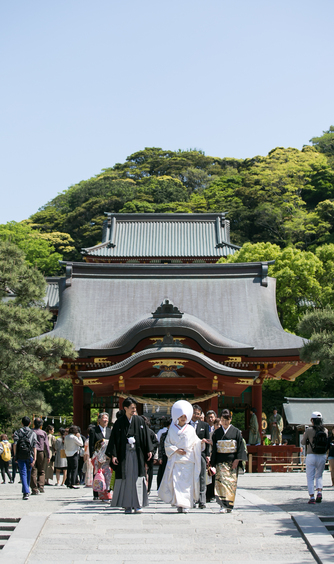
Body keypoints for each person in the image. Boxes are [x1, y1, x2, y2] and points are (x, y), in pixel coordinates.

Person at [106, 397, 153, 514]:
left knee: (138, 478)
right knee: (126, 478)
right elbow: (114, 440)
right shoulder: (119, 422)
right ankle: (127, 505)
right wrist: (114, 455)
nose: (134, 410)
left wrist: (149, 450)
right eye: (132, 408)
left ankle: (138, 504)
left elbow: (146, 436)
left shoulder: (140, 421)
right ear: (125, 408)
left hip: (137, 453)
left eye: (135, 408)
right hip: (124, 454)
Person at [158, 400, 202, 513]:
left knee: (187, 484)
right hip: (176, 460)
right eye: (181, 416)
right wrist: (176, 450)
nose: (183, 418)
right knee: (177, 483)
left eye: (185, 416)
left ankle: (186, 504)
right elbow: (167, 444)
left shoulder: (191, 429)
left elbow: (195, 442)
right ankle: (179, 503)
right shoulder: (172, 429)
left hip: (188, 460)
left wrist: (201, 443)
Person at [210, 408, 247, 513]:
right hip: (220, 461)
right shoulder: (217, 433)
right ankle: (222, 505)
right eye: (223, 419)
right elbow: (215, 449)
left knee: (230, 484)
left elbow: (240, 447)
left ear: (230, 419)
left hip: (232, 462)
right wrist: (213, 463)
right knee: (220, 483)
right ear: (220, 420)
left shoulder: (236, 432)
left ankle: (229, 505)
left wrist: (237, 460)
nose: (225, 422)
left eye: (227, 419)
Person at [301, 411, 328, 504]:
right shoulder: (325, 430)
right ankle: (319, 492)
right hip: (322, 455)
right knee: (319, 475)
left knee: (310, 476)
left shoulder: (309, 430)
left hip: (311, 454)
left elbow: (303, 442)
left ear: (312, 420)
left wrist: (306, 436)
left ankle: (312, 497)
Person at [190, 404, 210, 509]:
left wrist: (207, 455)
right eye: (194, 413)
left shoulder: (204, 425)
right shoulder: (186, 424)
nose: (195, 415)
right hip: (190, 454)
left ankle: (202, 500)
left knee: (202, 476)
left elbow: (207, 440)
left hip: (201, 454)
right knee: (191, 476)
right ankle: (192, 499)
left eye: (198, 414)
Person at [13, 416, 37, 500]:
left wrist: (15, 455)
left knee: (22, 472)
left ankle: (25, 491)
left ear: (21, 423)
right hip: (29, 454)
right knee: (28, 472)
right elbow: (34, 446)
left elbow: (15, 444)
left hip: (20, 455)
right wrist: (34, 458)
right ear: (30, 423)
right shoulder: (33, 433)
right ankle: (26, 490)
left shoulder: (17, 432)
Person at [89, 412, 111, 500]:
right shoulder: (94, 430)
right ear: (99, 420)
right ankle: (96, 493)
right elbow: (91, 444)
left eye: (106, 418)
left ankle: (106, 492)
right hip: (98, 456)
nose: (105, 420)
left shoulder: (110, 430)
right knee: (97, 473)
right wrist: (92, 456)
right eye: (103, 418)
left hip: (107, 457)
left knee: (107, 474)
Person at [30, 417, 50, 495]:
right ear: (41, 424)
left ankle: (34, 488)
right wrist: (48, 455)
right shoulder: (43, 433)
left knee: (33, 470)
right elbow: (46, 445)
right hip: (40, 452)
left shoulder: (31, 432)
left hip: (32, 452)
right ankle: (41, 486)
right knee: (41, 470)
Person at [157, 418, 172, 489]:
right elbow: (161, 446)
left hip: (173, 456)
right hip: (165, 456)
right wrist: (160, 457)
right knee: (163, 472)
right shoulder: (164, 435)